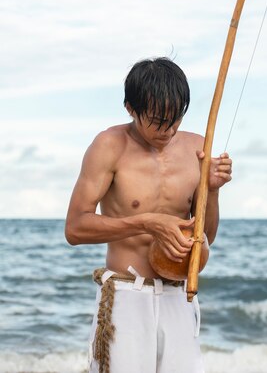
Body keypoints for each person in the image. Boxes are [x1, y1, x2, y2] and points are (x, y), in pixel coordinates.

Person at [65, 57, 233, 373]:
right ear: (130, 107)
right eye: (157, 120)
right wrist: (146, 222)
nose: (168, 130)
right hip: (127, 295)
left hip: (179, 296)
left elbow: (206, 238)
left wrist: (212, 190)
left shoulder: (199, 147)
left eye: (176, 119)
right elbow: (74, 228)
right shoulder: (109, 146)